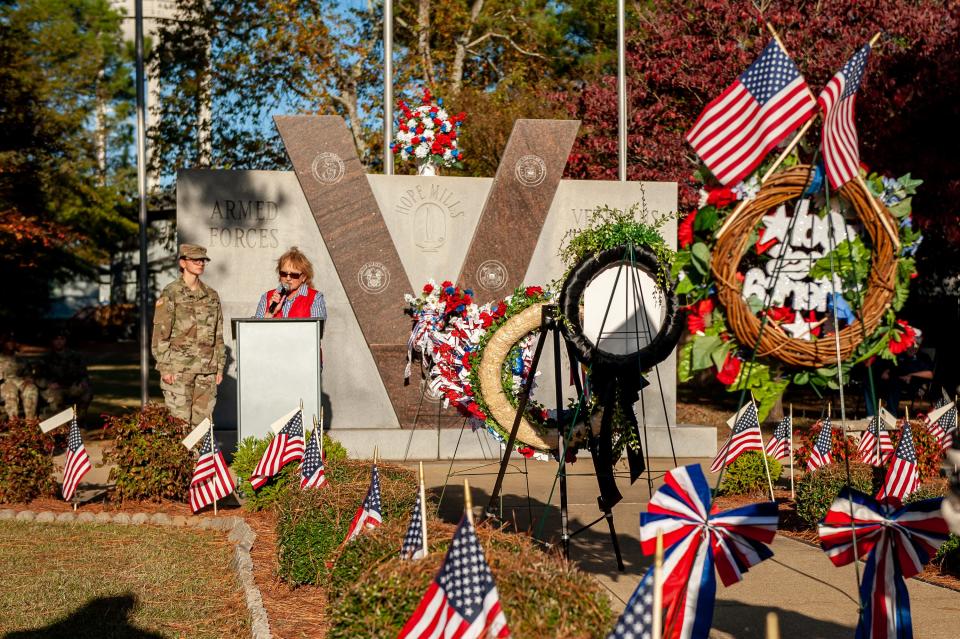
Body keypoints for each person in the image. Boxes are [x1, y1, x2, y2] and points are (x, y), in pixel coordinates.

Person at [151, 244, 225, 426]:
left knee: (202, 425)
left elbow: (218, 334)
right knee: (179, 423)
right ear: (183, 263)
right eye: (195, 260)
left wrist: (220, 366)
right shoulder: (171, 293)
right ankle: (183, 456)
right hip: (178, 370)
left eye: (203, 260)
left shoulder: (211, 295)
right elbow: (161, 334)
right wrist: (165, 367)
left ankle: (199, 456)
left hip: (206, 371)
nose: (200, 263)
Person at [254, 247, 327, 319]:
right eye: (284, 274)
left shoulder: (315, 298)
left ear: (304, 277)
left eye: (294, 275)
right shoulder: (267, 297)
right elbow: (257, 329)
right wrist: (270, 313)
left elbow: (316, 329)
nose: (288, 278)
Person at [36, 330, 92, 418]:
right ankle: (59, 424)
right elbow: (38, 378)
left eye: (61, 339)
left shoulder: (75, 356)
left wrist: (83, 382)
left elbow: (83, 373)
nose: (59, 342)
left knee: (87, 393)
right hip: (53, 389)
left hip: (70, 386)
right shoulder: (45, 358)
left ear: (65, 340)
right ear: (52, 341)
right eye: (56, 339)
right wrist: (48, 384)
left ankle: (79, 422)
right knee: (57, 399)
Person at [878, 329, 934, 417]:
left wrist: (911, 375)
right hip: (897, 380)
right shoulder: (901, 355)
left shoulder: (923, 357)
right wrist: (886, 371)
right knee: (889, 382)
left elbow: (930, 374)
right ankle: (879, 413)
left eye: (916, 346)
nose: (913, 348)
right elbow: (893, 367)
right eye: (911, 346)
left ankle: (891, 415)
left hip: (914, 384)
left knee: (894, 384)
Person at [0, 334, 38, 420]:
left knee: (31, 389)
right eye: (8, 341)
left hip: (18, 381)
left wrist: (29, 378)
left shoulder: (20, 358)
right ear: (3, 343)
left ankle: (30, 422)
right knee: (10, 391)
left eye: (13, 341)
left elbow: (28, 373)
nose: (11, 344)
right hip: (3, 383)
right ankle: (14, 424)